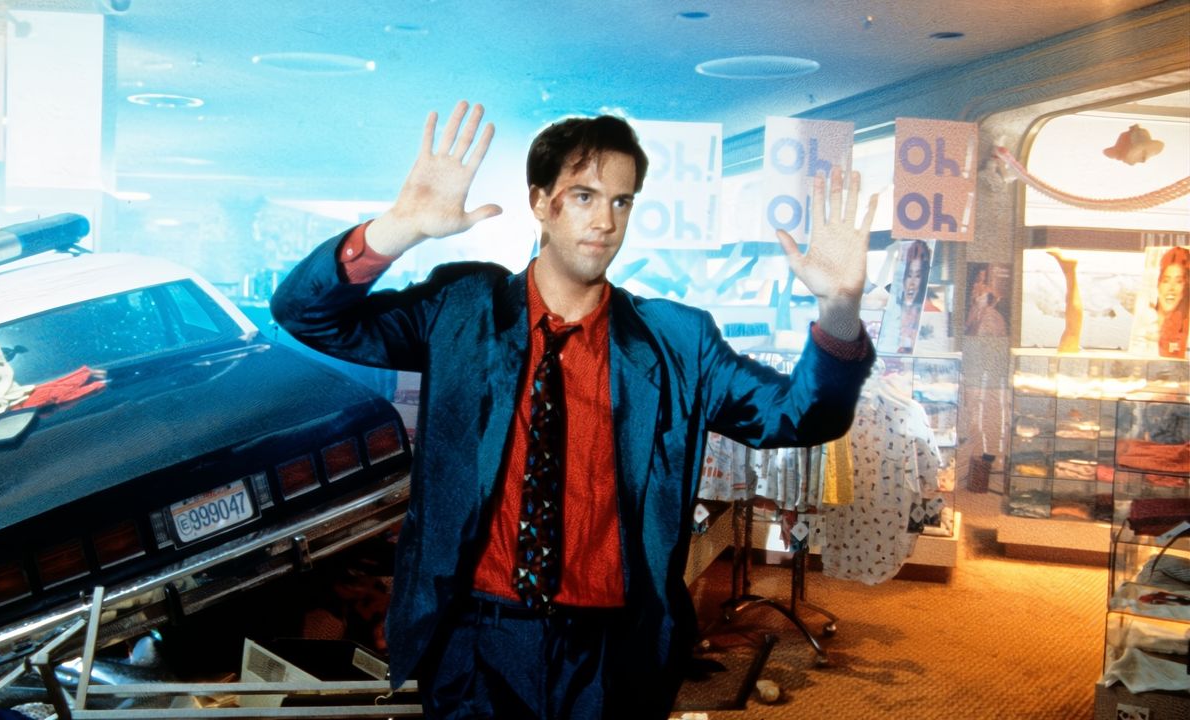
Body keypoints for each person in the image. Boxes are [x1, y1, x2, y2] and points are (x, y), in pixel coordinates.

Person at [271, 101, 878, 719]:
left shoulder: (677, 341)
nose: (605, 221)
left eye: (622, 201)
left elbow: (802, 415)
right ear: (541, 201)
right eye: (584, 196)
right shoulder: (463, 308)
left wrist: (839, 310)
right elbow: (305, 315)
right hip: (474, 643)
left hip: (611, 655)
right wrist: (398, 228)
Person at [1143, 246, 1189, 358]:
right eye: (1166, 281)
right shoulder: (1144, 319)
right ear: (1158, 284)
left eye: (1179, 281)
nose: (1171, 288)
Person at [895, 240, 931, 353]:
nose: (912, 283)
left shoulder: (928, 312)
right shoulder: (895, 310)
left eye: (918, 276)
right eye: (909, 275)